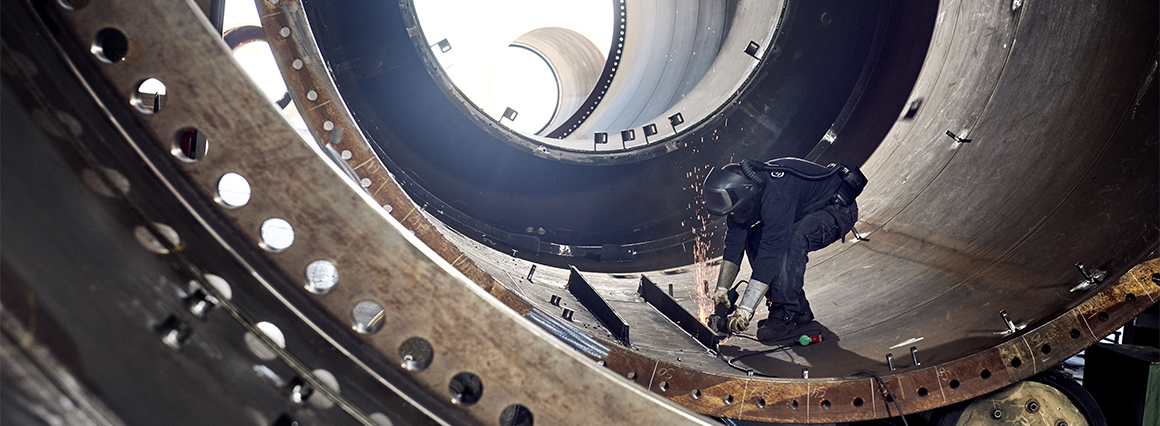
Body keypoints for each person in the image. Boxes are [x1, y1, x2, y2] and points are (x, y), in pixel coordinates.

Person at [702, 157, 865, 340]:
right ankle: (799, 310)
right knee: (754, 238)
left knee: (791, 241)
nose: (734, 214)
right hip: (804, 211)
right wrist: (722, 289)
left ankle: (786, 312)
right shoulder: (745, 192)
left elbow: (771, 252)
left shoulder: (777, 194)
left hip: (837, 210)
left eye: (735, 210)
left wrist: (745, 309)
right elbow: (734, 241)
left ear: (746, 193)